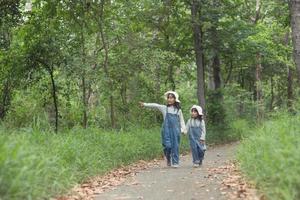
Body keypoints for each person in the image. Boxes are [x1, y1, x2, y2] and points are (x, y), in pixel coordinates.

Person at [139, 91, 186, 168]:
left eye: (171, 98)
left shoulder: (178, 110)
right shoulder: (164, 108)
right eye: (168, 98)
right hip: (166, 130)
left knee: (175, 146)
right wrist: (145, 104)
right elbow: (155, 105)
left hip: (175, 131)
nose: (169, 99)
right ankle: (168, 158)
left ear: (175, 99)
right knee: (167, 146)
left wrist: (184, 129)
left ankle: (175, 162)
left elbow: (181, 120)